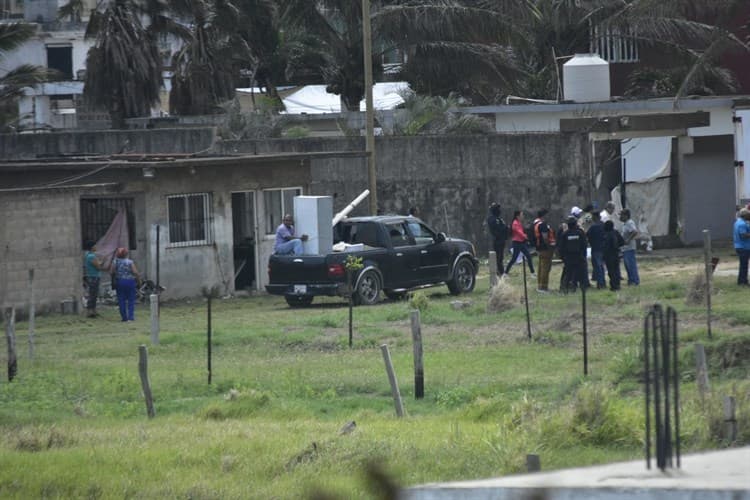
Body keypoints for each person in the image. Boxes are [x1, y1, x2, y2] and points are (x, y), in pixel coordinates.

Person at [558, 216, 588, 292]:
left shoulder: (565, 234)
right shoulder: (580, 233)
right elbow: (584, 245)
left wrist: (562, 257)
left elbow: (561, 247)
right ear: (575, 224)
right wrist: (583, 256)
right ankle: (579, 287)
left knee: (568, 273)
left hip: (568, 257)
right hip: (579, 256)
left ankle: (565, 287)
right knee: (579, 273)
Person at [111, 247, 140, 322]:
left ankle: (124, 318)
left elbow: (112, 272)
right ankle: (130, 317)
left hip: (120, 282)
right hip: (130, 282)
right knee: (131, 299)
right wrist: (138, 280)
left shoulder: (115, 262)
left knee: (121, 300)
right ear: (126, 254)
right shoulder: (130, 262)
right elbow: (135, 272)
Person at [504, 210, 535, 277]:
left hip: (521, 242)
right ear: (517, 216)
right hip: (517, 243)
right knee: (514, 259)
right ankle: (505, 273)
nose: (523, 216)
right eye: (521, 215)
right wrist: (526, 237)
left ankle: (532, 273)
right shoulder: (515, 223)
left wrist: (525, 237)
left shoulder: (518, 222)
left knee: (528, 256)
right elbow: (519, 232)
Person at [533, 209, 555, 292]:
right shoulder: (543, 225)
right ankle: (543, 287)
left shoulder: (536, 223)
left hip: (540, 248)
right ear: (544, 215)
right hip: (545, 249)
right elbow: (545, 237)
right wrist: (549, 246)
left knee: (541, 267)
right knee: (545, 268)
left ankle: (540, 285)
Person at [486, 203, 508, 277]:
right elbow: (498, 229)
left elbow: (504, 228)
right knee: (498, 258)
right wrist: (504, 228)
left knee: (500, 257)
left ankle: (501, 272)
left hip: (502, 240)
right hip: (497, 240)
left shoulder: (499, 219)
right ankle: (500, 272)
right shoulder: (492, 219)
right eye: (497, 209)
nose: (499, 210)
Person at [619, 209, 640, 285]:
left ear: (626, 216)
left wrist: (628, 240)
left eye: (621, 215)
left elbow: (635, 231)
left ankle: (635, 280)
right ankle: (631, 280)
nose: (620, 217)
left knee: (631, 265)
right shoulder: (625, 224)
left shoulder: (629, 223)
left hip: (629, 248)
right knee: (627, 265)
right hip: (625, 248)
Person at [83, 240, 103, 317]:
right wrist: (101, 264)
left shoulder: (88, 255)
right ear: (92, 247)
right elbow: (98, 267)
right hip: (94, 276)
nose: (96, 247)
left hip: (91, 276)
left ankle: (93, 310)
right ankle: (90, 311)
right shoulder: (92, 256)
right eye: (95, 245)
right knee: (93, 294)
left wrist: (99, 263)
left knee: (93, 294)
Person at [586, 212, 606, 289]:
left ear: (595, 217)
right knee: (601, 266)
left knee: (598, 266)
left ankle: (600, 283)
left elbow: (587, 236)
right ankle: (602, 282)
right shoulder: (603, 225)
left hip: (596, 248)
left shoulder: (593, 227)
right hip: (603, 248)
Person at [602, 220, 623, 291]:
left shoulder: (605, 234)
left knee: (611, 271)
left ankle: (614, 286)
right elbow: (622, 242)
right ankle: (617, 284)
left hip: (608, 255)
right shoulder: (615, 232)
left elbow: (604, 246)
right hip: (616, 254)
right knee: (616, 270)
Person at [733, 208, 750, 285]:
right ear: (745, 215)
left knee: (743, 265)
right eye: (748, 215)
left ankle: (742, 281)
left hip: (739, 246)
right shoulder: (742, 224)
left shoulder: (737, 222)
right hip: (744, 247)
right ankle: (743, 282)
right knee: (744, 266)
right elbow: (743, 235)